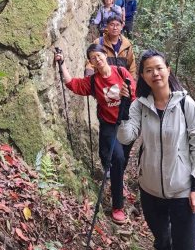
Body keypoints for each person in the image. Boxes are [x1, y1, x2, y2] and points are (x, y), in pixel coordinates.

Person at [117, 50, 195, 250]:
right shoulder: (140, 106)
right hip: (149, 187)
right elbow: (125, 137)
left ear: (168, 69)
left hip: (182, 190)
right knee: (159, 232)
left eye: (159, 68)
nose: (155, 73)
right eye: (148, 70)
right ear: (143, 76)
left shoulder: (186, 105)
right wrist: (124, 107)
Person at [54, 44, 136, 225]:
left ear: (105, 55)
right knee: (118, 158)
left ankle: (116, 178)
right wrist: (62, 64)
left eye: (99, 56)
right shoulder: (93, 81)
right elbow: (72, 84)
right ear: (90, 62)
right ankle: (118, 207)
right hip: (108, 125)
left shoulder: (121, 72)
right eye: (93, 58)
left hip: (125, 122)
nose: (97, 60)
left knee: (121, 162)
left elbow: (135, 95)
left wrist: (128, 94)